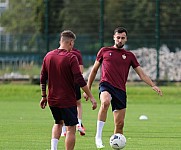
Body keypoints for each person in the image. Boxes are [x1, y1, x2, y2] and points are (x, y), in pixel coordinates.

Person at [83, 27, 162, 149]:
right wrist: (87, 89)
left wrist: (153, 85)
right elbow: (94, 70)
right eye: (118, 37)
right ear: (114, 37)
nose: (120, 40)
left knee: (119, 125)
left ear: (126, 39)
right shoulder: (104, 51)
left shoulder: (129, 55)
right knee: (105, 102)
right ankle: (98, 137)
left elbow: (142, 74)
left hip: (120, 90)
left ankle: (117, 145)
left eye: (122, 38)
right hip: (106, 85)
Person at [40, 30, 97, 150]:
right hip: (67, 100)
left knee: (58, 122)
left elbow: (42, 77)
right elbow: (80, 80)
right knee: (71, 128)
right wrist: (91, 96)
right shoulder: (71, 57)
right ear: (70, 43)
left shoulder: (48, 56)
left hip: (52, 99)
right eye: (73, 43)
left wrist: (44, 96)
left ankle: (53, 148)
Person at [61, 47, 86, 136]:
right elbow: (81, 71)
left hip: (63, 84)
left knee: (63, 105)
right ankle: (79, 124)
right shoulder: (77, 54)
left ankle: (63, 129)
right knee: (78, 104)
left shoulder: (58, 54)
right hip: (75, 83)